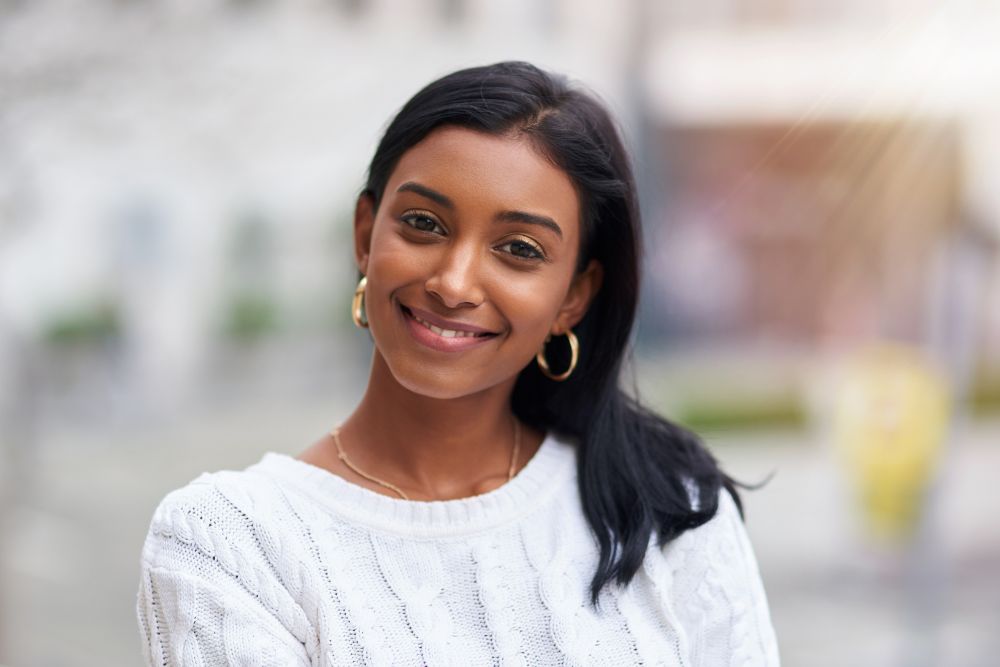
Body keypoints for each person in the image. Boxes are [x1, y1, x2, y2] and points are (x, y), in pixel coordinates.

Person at [136, 61, 780, 666]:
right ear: (366, 236)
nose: (454, 281)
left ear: (574, 296)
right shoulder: (230, 543)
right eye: (424, 223)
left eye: (519, 249)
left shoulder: (668, 504)